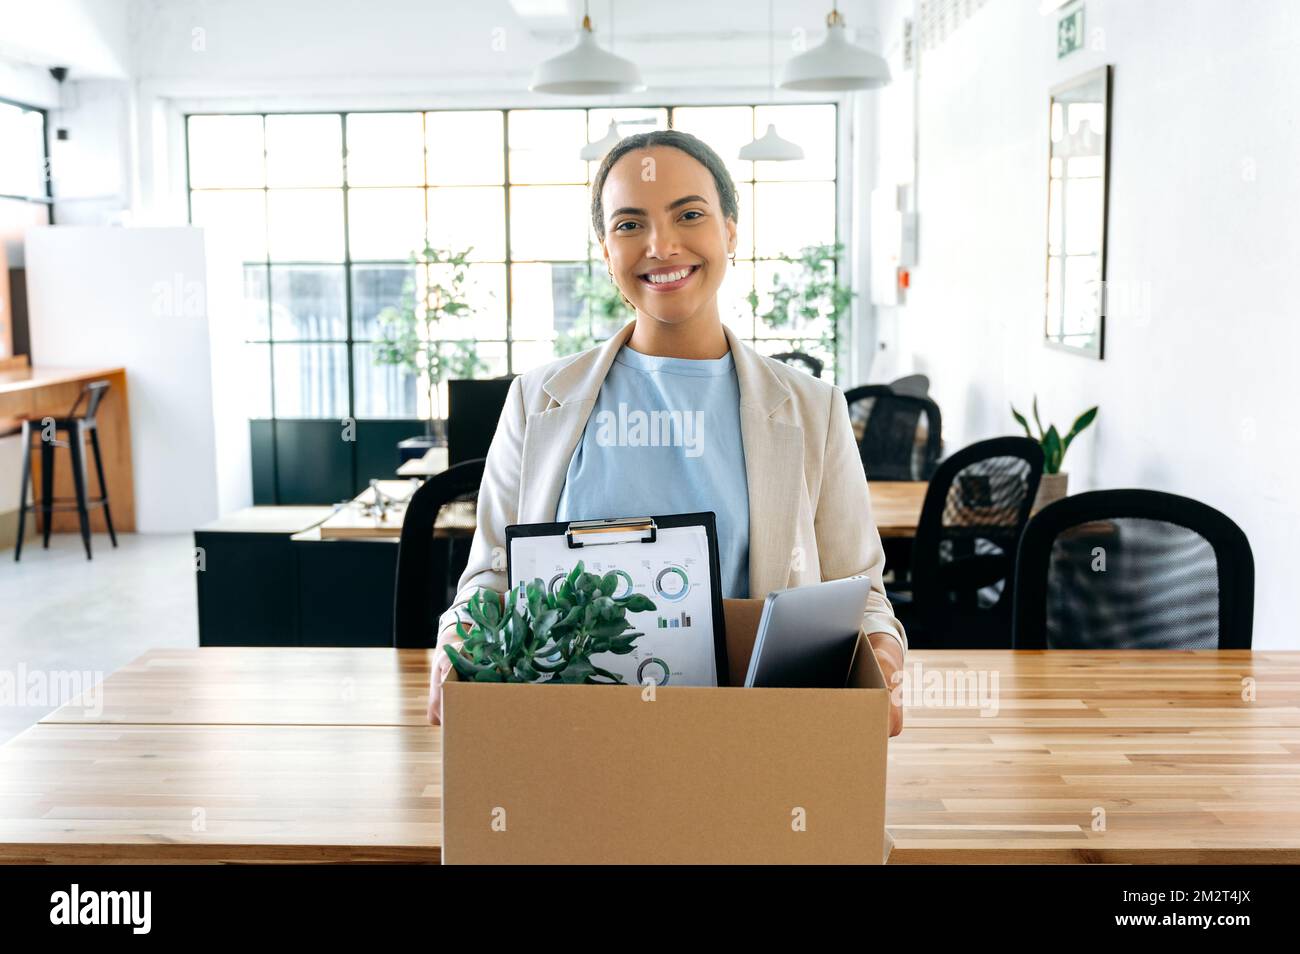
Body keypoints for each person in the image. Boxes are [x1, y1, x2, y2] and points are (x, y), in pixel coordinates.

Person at [427, 129, 906, 733]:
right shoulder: (535, 400)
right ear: (605, 251)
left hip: (754, 741)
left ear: (730, 230)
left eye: (690, 214)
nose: (661, 244)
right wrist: (457, 638)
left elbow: (860, 593)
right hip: (567, 736)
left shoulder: (814, 409)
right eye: (629, 225)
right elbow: (491, 576)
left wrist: (881, 653)